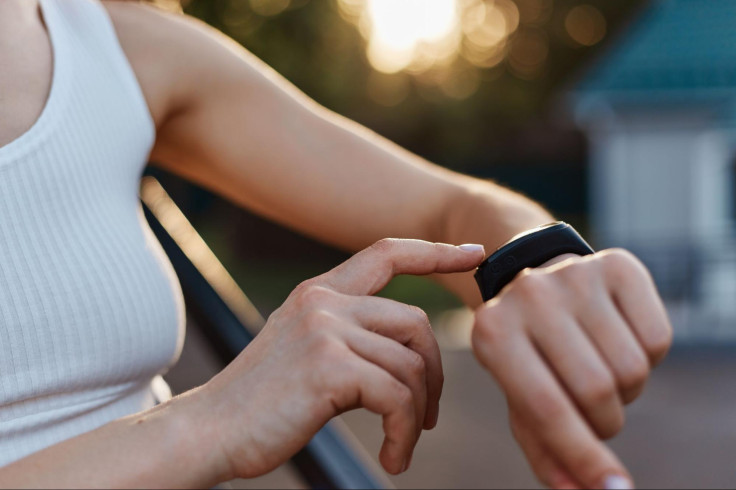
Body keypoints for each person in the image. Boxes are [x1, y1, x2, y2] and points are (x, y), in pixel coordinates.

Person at [0, 0, 672, 488]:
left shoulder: (116, 46)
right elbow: (207, 424)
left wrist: (534, 265)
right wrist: (208, 422)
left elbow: (447, 208)